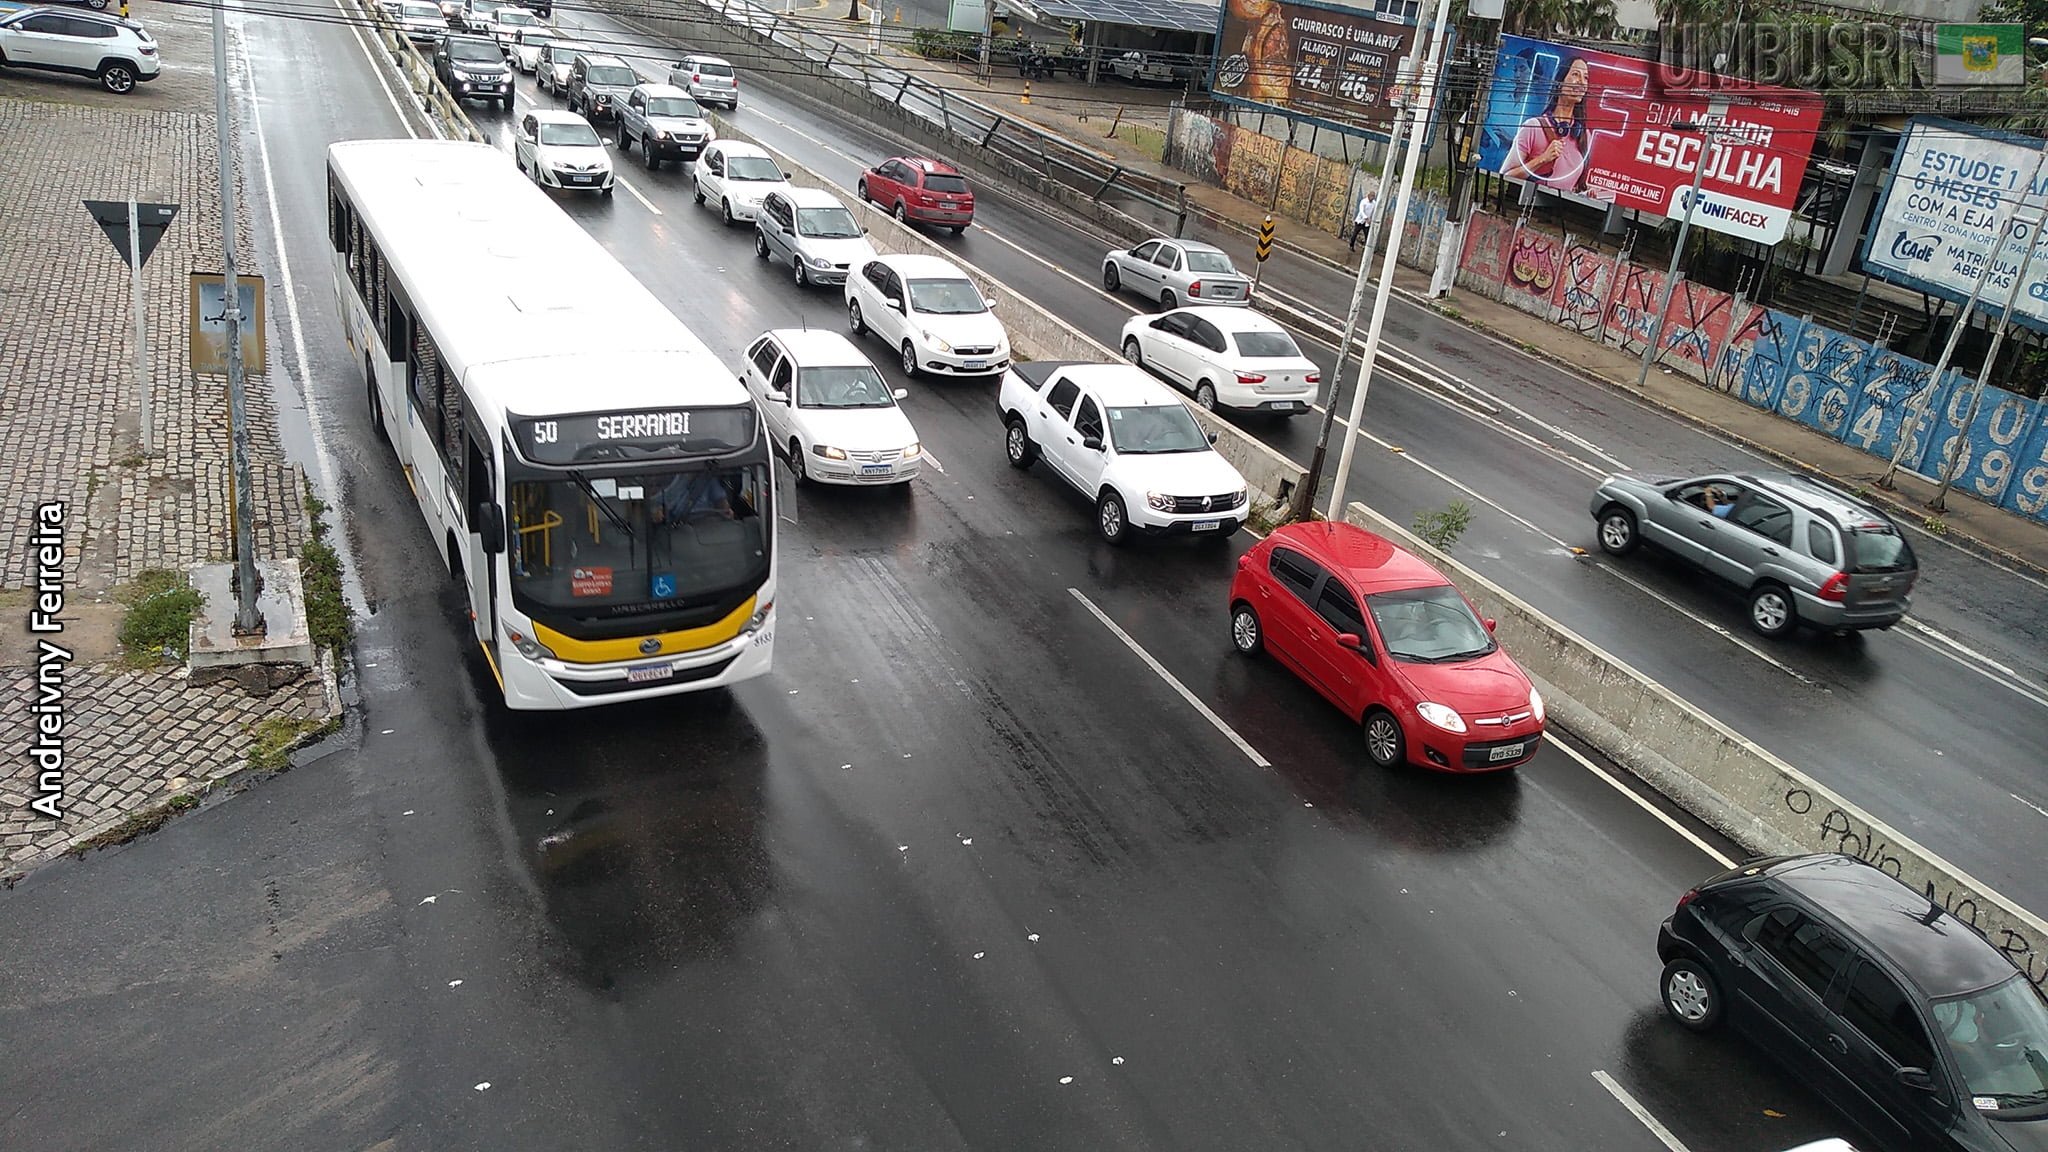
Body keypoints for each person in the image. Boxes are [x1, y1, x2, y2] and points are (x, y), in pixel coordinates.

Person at [1501, 56, 1593, 193]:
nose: (1581, 82)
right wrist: (1542, 159)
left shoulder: (1583, 135)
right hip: (1528, 205)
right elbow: (1506, 176)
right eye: (1575, 74)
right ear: (1559, 82)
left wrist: (1585, 194)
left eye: (1585, 78)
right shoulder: (1533, 127)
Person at [651, 470, 733, 524]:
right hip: (680, 530)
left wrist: (726, 511)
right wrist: (657, 512)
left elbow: (721, 501)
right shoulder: (670, 481)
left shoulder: (707, 479)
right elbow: (655, 505)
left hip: (707, 525)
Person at [1350, 188, 1377, 254]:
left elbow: (1374, 212)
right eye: (1371, 196)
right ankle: (1351, 245)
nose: (1372, 198)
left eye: (1373, 196)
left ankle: (1367, 248)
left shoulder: (1374, 203)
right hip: (1360, 221)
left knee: (1367, 235)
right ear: (1368, 196)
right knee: (1355, 234)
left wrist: (1371, 219)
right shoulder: (1363, 201)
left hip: (1367, 223)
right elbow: (1361, 211)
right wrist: (1366, 218)